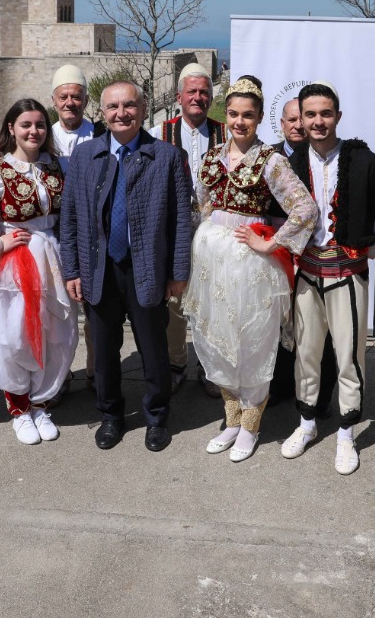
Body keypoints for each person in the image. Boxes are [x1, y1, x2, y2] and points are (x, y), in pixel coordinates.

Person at [182, 77, 316, 462]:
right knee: (218, 338)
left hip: (250, 265)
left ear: (259, 119)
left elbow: (304, 209)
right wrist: (208, 239)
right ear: (225, 115)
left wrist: (271, 243)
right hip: (213, 263)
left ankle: (252, 425)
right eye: (234, 114)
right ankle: (231, 420)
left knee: (251, 342)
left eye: (249, 116)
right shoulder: (211, 157)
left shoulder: (271, 160)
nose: (240, 122)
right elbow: (205, 207)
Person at [60, 81, 192, 452]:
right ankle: (111, 415)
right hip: (99, 268)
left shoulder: (165, 156)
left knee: (153, 349)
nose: (122, 113)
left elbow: (181, 219)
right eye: (114, 107)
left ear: (143, 108)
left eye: (129, 105)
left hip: (146, 267)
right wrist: (71, 270)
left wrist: (178, 272)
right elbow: (69, 218)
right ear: (102, 113)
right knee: (103, 350)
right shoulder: (85, 157)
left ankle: (156, 416)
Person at [280, 82, 375, 476]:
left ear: (338, 117)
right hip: (307, 274)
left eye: (325, 114)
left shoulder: (365, 161)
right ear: (300, 119)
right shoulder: (291, 163)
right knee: (307, 352)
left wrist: (362, 252)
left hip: (347, 274)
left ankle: (347, 434)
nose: (317, 121)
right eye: (309, 114)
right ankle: (308, 424)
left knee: (349, 355)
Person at [0, 98, 77, 445]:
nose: (34, 131)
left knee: (58, 332)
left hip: (54, 257)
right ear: (12, 129)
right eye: (26, 125)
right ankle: (19, 408)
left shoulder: (58, 166)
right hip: (17, 262)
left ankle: (40, 402)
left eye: (39, 125)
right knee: (14, 335)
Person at [153, 63, 226, 396]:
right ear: (179, 95)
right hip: (175, 232)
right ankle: (176, 362)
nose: (198, 97)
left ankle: (211, 368)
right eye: (192, 92)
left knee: (214, 303)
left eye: (204, 92)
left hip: (215, 233)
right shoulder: (158, 132)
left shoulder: (226, 133)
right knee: (174, 303)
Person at [269, 98, 339, 407]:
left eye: (303, 118)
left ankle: (320, 399)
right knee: (278, 324)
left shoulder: (325, 158)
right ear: (282, 124)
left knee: (319, 331)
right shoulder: (267, 158)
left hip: (317, 256)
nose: (298, 125)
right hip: (277, 254)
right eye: (291, 119)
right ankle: (282, 386)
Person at [49, 64, 101, 391]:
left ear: (85, 100)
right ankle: (59, 375)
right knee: (57, 312)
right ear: (54, 101)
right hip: (53, 236)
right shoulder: (42, 137)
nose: (70, 102)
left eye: (76, 96)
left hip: (94, 237)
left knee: (95, 313)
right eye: (64, 96)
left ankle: (96, 372)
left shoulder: (100, 135)